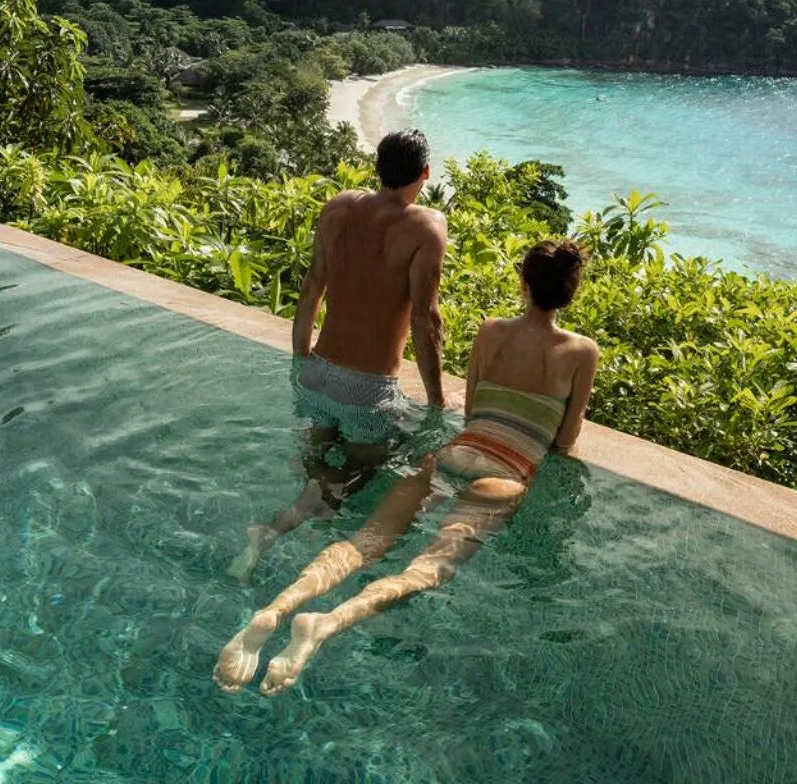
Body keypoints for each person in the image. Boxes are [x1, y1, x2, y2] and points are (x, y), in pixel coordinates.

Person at [216, 240, 600, 695]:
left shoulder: (491, 330)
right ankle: (325, 623)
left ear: (523, 282)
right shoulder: (582, 352)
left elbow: (474, 407)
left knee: (365, 543)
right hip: (505, 470)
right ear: (572, 291)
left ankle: (277, 608)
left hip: (453, 452)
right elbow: (566, 437)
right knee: (427, 568)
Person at [227, 130, 450, 583]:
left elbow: (311, 288)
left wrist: (299, 363)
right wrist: (438, 404)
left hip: (316, 374)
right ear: (425, 174)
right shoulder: (427, 226)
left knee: (320, 461)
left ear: (377, 167)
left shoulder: (339, 207)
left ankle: (311, 498)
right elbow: (426, 322)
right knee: (362, 474)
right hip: (367, 391)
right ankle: (276, 527)